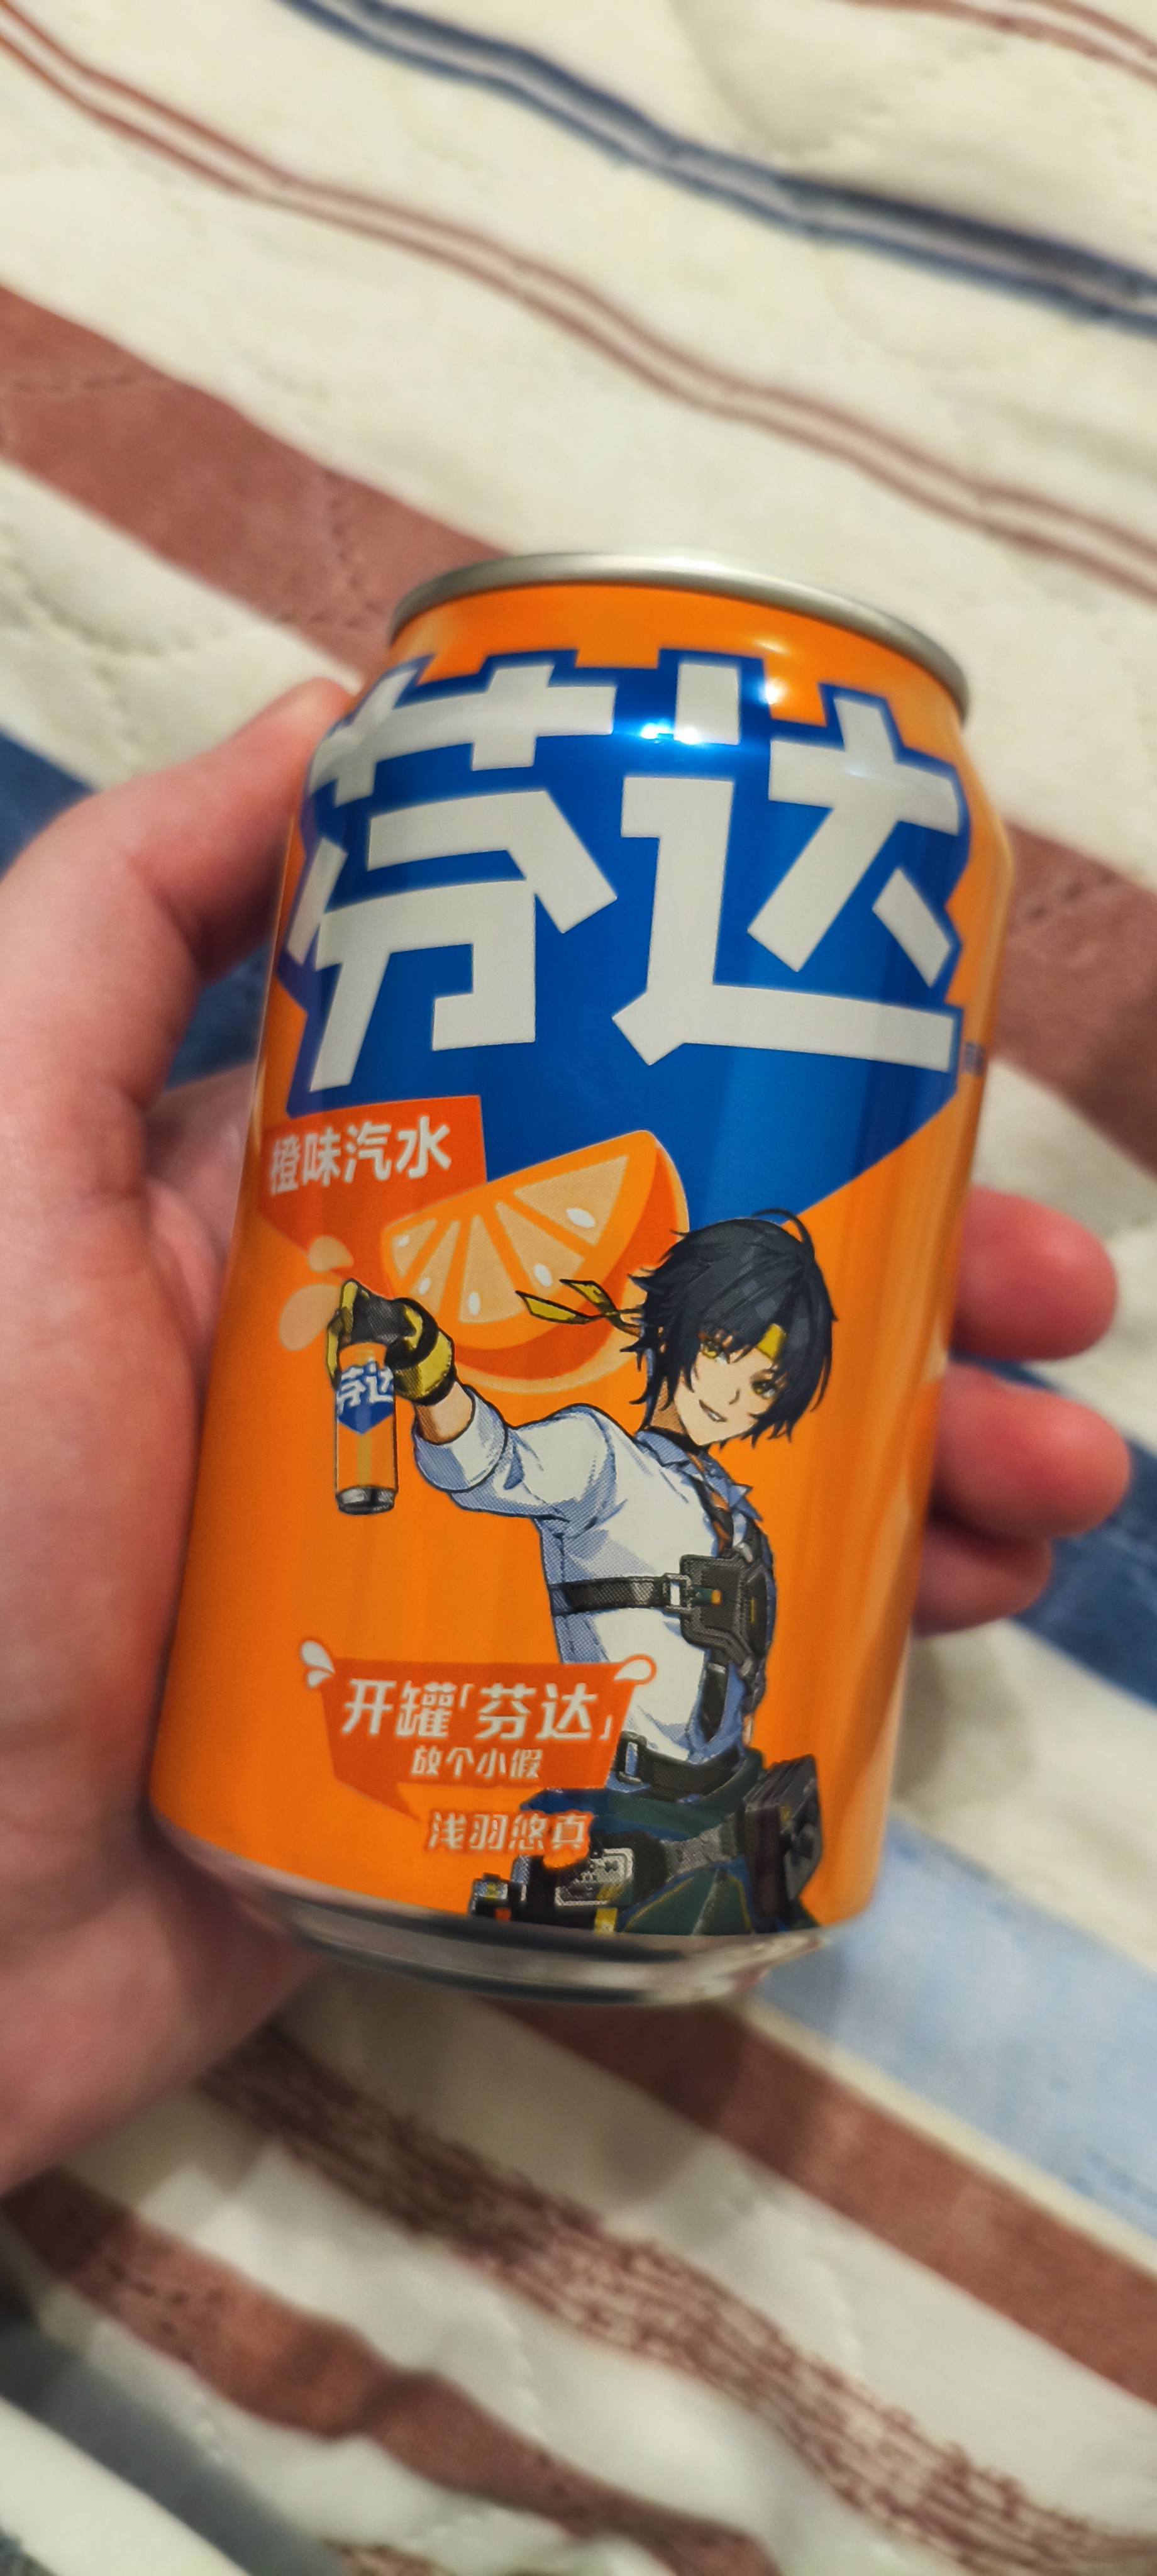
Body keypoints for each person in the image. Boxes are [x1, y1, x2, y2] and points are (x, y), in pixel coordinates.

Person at [0, 686, 1131, 2182]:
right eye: (732, 1356)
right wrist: (427, 1368)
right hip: (608, 1816)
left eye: (770, 1376)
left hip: (723, 1824)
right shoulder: (600, 1453)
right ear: (675, 1340)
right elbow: (494, 1461)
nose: (746, 1389)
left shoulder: (729, 1500)